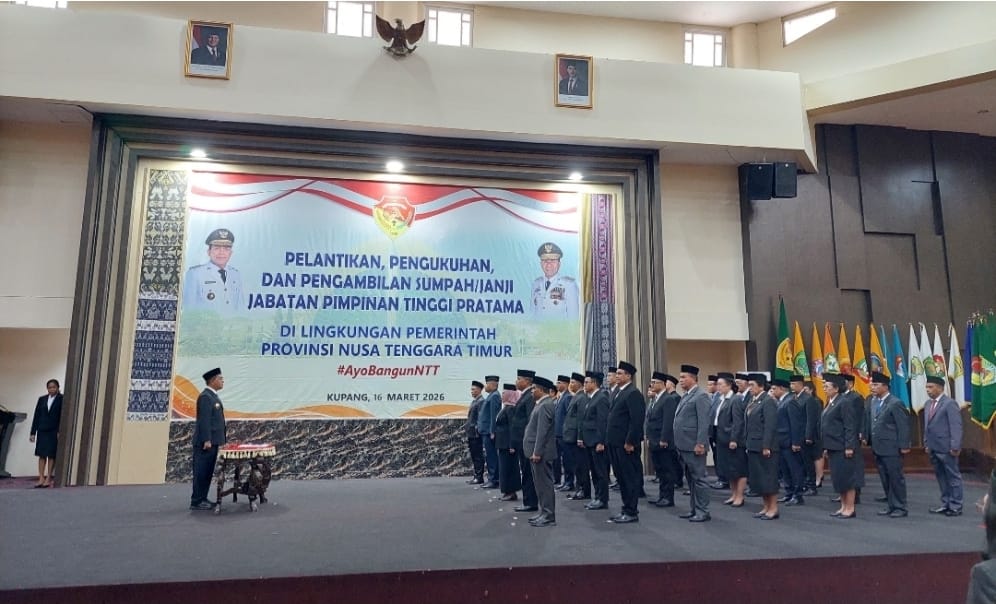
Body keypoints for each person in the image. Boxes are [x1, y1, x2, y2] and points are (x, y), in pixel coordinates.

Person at [866, 371, 911, 518]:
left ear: (885, 386)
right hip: (878, 447)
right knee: (885, 478)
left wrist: (904, 445)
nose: (872, 387)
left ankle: (900, 507)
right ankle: (891, 504)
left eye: (876, 384)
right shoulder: (874, 402)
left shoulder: (895, 403)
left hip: (892, 447)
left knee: (895, 478)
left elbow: (903, 426)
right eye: (872, 384)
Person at [606, 361, 645, 523]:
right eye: (616, 373)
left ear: (629, 376)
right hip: (614, 442)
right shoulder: (618, 392)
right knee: (621, 477)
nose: (617, 376)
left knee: (629, 478)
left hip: (625, 444)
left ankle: (631, 511)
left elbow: (636, 421)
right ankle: (625, 508)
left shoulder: (633, 393)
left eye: (620, 373)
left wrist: (630, 442)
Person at [674, 364, 712, 522]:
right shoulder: (686, 395)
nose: (681, 380)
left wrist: (701, 443)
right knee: (691, 480)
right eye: (680, 377)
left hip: (694, 445)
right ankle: (694, 509)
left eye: (684, 377)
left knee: (699, 479)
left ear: (693, 378)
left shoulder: (701, 396)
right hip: (684, 445)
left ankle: (703, 511)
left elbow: (704, 423)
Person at [924, 375, 963, 516]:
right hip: (933, 447)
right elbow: (927, 426)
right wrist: (926, 442)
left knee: (953, 477)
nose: (928, 390)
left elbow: (956, 426)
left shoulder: (949, 404)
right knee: (941, 477)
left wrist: (955, 446)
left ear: (940, 388)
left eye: (931, 387)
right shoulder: (928, 404)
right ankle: (946, 503)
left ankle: (956, 505)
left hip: (947, 448)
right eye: (927, 387)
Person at [821, 373, 859, 519]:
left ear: (836, 388)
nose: (824, 388)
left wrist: (849, 446)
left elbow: (849, 426)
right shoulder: (831, 401)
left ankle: (850, 508)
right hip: (832, 446)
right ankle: (843, 506)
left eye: (827, 386)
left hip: (842, 447)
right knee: (839, 479)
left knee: (847, 479)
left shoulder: (844, 402)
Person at [190, 367, 227, 511]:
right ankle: (197, 500)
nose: (223, 381)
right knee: (201, 472)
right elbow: (204, 420)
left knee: (207, 472)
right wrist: (206, 439)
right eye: (220, 378)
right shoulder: (206, 397)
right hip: (205, 443)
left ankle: (202, 498)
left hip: (213, 442)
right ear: (212, 380)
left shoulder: (213, 396)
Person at [524, 376, 558, 527]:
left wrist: (537, 452)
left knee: (545, 484)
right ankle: (543, 512)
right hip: (537, 452)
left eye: (533, 388)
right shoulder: (541, 404)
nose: (531, 391)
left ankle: (549, 515)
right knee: (539, 484)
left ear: (540, 389)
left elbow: (542, 431)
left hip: (541, 453)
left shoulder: (545, 405)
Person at [745, 374, 780, 519]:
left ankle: (773, 508)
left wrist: (766, 446)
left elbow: (770, 426)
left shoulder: (768, 401)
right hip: (753, 445)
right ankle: (766, 506)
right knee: (760, 479)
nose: (749, 388)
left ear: (761, 386)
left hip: (765, 446)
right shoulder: (753, 400)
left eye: (752, 385)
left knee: (768, 478)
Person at [183, 228, 244, 311]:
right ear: (208, 252)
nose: (221, 252)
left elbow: (240, 308)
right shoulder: (195, 274)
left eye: (226, 249)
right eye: (217, 248)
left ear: (230, 253)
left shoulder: (236, 274)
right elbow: (188, 309)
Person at [772, 377, 806, 506]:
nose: (772, 391)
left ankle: (797, 495)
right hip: (781, 442)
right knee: (785, 470)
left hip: (790, 442)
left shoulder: (791, 401)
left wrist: (796, 442)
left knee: (794, 469)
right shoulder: (781, 401)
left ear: (782, 388)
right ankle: (789, 492)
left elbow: (795, 423)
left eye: (774, 388)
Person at [511, 369, 538, 513]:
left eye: (518, 379)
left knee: (528, 473)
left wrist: (527, 441)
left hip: (526, 441)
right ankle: (528, 501)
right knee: (525, 471)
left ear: (527, 381)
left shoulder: (529, 397)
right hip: (521, 441)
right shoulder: (524, 396)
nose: (516, 381)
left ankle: (530, 502)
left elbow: (530, 421)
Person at [718, 373, 748, 506]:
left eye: (721, 384)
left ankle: (740, 496)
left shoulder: (735, 399)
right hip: (722, 439)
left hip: (733, 440)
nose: (718, 387)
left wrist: (734, 439)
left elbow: (738, 421)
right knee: (729, 470)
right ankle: (733, 494)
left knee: (738, 469)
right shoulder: (722, 399)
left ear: (729, 385)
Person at [530, 242, 579, 319]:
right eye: (545, 260)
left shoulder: (569, 285)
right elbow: (532, 314)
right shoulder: (536, 284)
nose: (548, 264)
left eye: (553, 260)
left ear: (559, 264)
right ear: (541, 264)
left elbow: (574, 318)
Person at [792, 375, 823, 494]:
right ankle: (804, 483)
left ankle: (811, 486)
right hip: (797, 434)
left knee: (808, 462)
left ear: (801, 385)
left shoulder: (808, 399)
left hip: (805, 435)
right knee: (801, 462)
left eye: (794, 384)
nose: (791, 386)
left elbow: (811, 419)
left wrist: (808, 436)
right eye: (791, 384)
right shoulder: (794, 398)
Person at [29, 379, 63, 488]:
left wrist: (60, 431)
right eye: (49, 387)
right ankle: (41, 478)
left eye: (53, 387)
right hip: (42, 429)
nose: (51, 389)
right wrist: (33, 432)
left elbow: (62, 416)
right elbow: (37, 416)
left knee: (51, 454)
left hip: (53, 430)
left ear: (58, 388)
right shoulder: (42, 399)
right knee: (41, 454)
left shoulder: (61, 399)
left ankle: (48, 478)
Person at [494, 384, 521, 501]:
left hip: (507, 445)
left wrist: (511, 444)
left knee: (508, 468)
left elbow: (512, 427)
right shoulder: (505, 407)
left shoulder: (511, 409)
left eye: (504, 393)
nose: (502, 395)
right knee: (504, 468)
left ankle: (511, 491)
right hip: (502, 444)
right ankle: (507, 491)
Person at [478, 375, 501, 489]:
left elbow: (493, 415)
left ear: (493, 384)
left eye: (487, 384)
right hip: (485, 431)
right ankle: (492, 478)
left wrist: (492, 431)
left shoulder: (495, 396)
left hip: (489, 432)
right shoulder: (491, 395)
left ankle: (494, 479)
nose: (485, 386)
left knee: (492, 456)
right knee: (489, 456)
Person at [463, 380, 486, 485]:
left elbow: (480, 418)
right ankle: (476, 475)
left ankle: (479, 476)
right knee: (474, 454)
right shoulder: (475, 401)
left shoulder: (481, 401)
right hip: (471, 432)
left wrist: (477, 430)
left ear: (479, 390)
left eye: (474, 389)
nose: (471, 391)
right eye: (471, 389)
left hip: (476, 433)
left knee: (477, 455)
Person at [552, 375, 572, 489]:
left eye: (559, 382)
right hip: (558, 434)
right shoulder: (560, 397)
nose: (557, 385)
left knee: (567, 459)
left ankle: (569, 482)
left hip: (564, 434)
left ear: (565, 384)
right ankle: (562, 481)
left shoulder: (568, 397)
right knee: (559, 459)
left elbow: (568, 416)